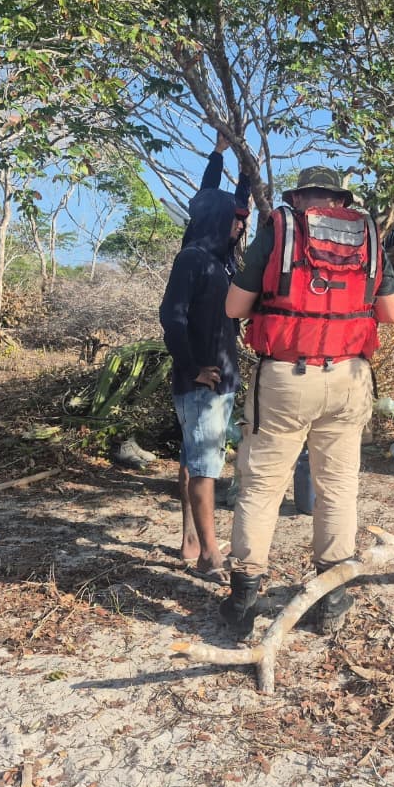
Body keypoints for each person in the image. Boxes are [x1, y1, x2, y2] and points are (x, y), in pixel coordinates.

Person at [221, 167, 394, 637]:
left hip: (285, 375)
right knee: (338, 487)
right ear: (339, 201)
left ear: (300, 198)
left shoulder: (280, 229)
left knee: (260, 487)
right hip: (348, 378)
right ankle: (331, 597)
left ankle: (244, 599)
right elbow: (393, 314)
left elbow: (234, 308)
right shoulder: (368, 237)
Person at [158, 130, 250, 583]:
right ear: (216, 220)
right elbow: (171, 318)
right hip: (203, 382)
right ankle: (210, 554)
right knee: (206, 465)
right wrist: (194, 368)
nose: (239, 225)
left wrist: (239, 166)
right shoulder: (193, 259)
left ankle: (191, 540)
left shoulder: (222, 259)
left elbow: (222, 199)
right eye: (233, 220)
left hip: (219, 379)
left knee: (194, 459)